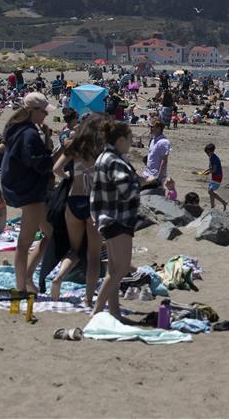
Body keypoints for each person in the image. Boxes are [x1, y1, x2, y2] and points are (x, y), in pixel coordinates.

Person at [1, 91, 55, 293]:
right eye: (43, 112)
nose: (45, 116)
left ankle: (28, 278)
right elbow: (40, 163)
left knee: (50, 234)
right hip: (29, 192)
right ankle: (21, 286)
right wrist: (56, 152)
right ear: (33, 111)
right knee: (25, 243)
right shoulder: (28, 134)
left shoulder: (17, 129)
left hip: (22, 189)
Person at [51, 114, 105, 305]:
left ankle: (58, 277)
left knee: (74, 249)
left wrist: (68, 176)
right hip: (93, 203)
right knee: (93, 255)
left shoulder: (75, 146)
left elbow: (56, 169)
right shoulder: (103, 148)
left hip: (74, 200)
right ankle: (89, 299)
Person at [90, 120, 141, 320]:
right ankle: (97, 312)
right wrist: (142, 184)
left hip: (106, 218)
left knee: (113, 270)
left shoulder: (103, 157)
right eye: (129, 139)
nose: (131, 143)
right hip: (118, 219)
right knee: (120, 270)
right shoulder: (115, 160)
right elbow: (126, 191)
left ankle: (114, 311)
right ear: (120, 140)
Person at [142, 119, 169, 184]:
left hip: (155, 175)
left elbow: (164, 160)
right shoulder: (153, 140)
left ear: (159, 128)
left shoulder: (163, 142)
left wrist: (158, 177)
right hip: (148, 173)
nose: (150, 128)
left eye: (152, 127)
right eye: (150, 126)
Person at [201, 143, 227, 210]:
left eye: (208, 152)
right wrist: (205, 171)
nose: (207, 154)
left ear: (212, 151)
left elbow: (214, 170)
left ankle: (223, 202)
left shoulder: (214, 158)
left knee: (210, 191)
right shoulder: (211, 157)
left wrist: (208, 173)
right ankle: (212, 206)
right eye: (206, 153)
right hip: (214, 176)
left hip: (218, 176)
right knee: (210, 192)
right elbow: (211, 168)